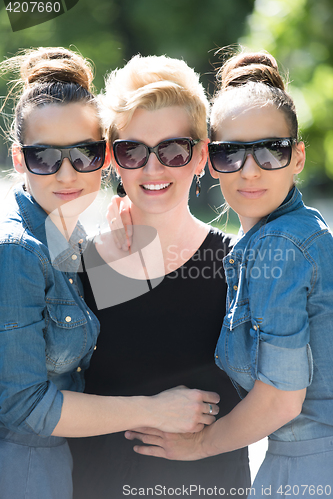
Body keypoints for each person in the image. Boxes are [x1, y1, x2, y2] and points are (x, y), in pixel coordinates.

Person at [0, 47, 219, 499]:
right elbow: (24, 407)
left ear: (103, 158)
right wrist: (155, 411)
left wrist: (129, 239)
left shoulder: (71, 239)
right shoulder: (16, 250)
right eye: (45, 158)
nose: (67, 173)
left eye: (84, 153)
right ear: (20, 160)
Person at [125, 51, 333, 497]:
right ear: (210, 160)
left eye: (271, 150)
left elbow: (280, 397)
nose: (250, 170)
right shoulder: (252, 247)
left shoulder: (282, 246)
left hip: (308, 471)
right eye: (230, 153)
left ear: (297, 157)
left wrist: (200, 445)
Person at [69, 54, 251, 499]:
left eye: (172, 150)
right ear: (112, 158)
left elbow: (283, 397)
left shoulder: (239, 264)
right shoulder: (79, 267)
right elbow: (39, 401)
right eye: (133, 150)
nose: (153, 169)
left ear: (201, 156)